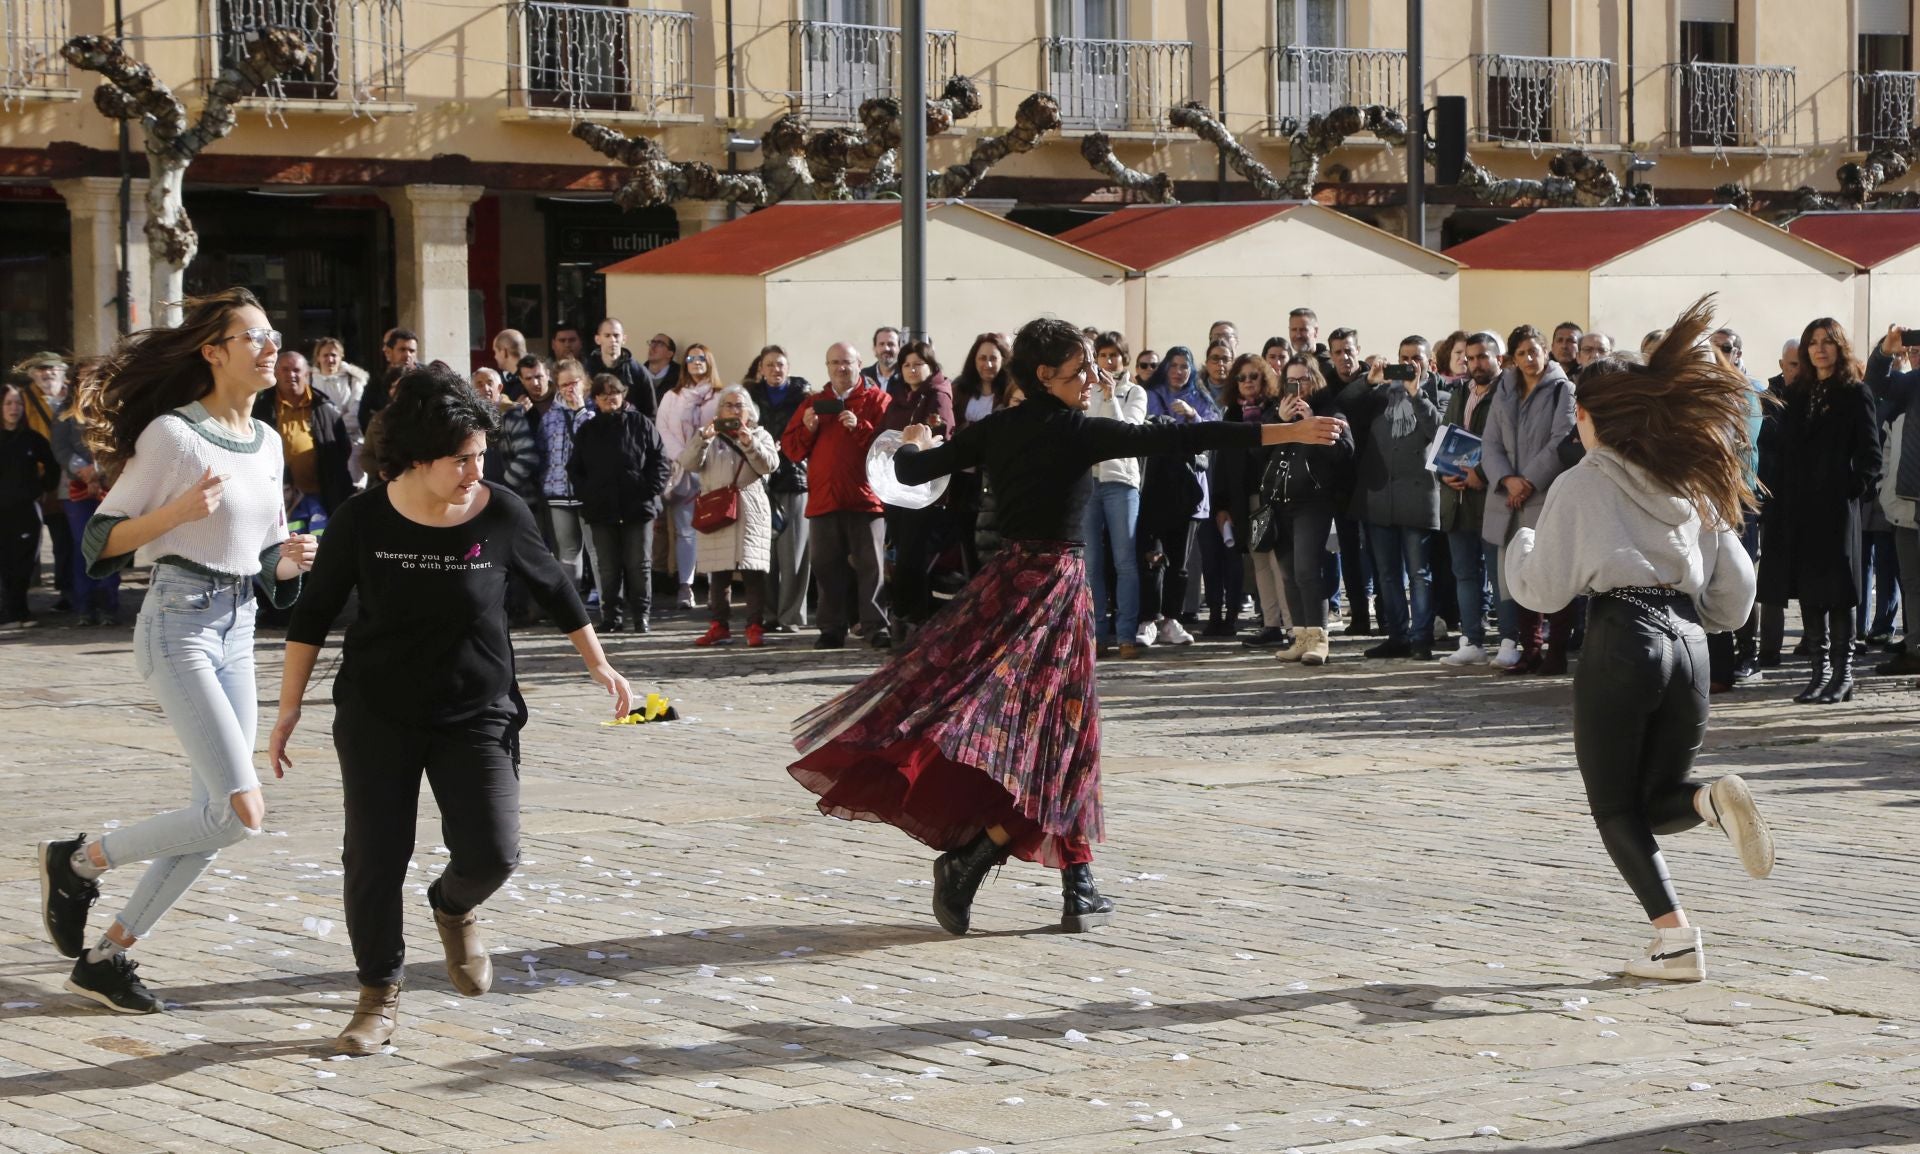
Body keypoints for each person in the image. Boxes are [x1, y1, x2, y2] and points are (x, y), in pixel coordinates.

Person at [788, 318, 1346, 936]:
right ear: (1045, 375)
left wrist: (910, 438)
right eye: (1079, 370)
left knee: (1061, 737)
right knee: (1065, 741)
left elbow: (911, 475)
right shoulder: (1078, 433)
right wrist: (1286, 431)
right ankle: (985, 859)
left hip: (1005, 589)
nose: (1091, 378)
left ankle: (1069, 880)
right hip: (1050, 597)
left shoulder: (1000, 428)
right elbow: (1181, 436)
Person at [271, 365, 630, 1054]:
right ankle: (377, 995)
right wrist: (288, 708)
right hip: (379, 712)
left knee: (493, 852)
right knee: (374, 858)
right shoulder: (362, 519)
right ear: (415, 456)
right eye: (461, 459)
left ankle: (453, 905)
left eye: (481, 457)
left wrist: (599, 663)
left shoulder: (500, 512)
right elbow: (312, 616)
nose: (475, 471)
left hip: (477, 710)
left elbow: (554, 586)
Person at [39, 288, 318, 1014]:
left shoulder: (265, 440)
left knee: (219, 818)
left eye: (272, 334)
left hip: (238, 629)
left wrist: (288, 559)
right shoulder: (173, 436)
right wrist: (176, 513)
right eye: (252, 337)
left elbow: (258, 559)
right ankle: (77, 862)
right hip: (177, 626)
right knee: (240, 811)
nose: (269, 347)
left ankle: (107, 957)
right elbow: (99, 540)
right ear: (213, 351)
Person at [1506, 298, 1772, 982]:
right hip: (1691, 644)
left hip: (1623, 636)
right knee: (1658, 798)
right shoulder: (1688, 481)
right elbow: (1734, 594)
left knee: (1614, 805)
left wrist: (1523, 540)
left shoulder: (1581, 483)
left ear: (1592, 418)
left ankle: (1677, 940)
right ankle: (1711, 802)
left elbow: (1540, 591)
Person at [1759, 318, 1882, 704]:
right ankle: (1820, 673)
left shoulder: (1854, 392)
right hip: (1799, 508)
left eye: (1827, 342)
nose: (1819, 348)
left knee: (1839, 591)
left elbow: (1870, 455)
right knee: (1810, 592)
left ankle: (1843, 675)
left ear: (1839, 347)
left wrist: (1849, 490)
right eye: (1813, 342)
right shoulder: (1799, 393)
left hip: (1836, 509)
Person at [780, 342, 891, 650]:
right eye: (834, 363)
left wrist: (860, 427)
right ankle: (831, 628)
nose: (841, 368)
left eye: (847, 362)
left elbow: (890, 447)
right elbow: (791, 449)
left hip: (866, 499)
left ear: (859, 365)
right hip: (825, 501)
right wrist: (807, 428)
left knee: (872, 568)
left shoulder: (877, 400)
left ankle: (876, 626)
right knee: (827, 569)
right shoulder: (815, 403)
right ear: (827, 367)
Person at [1481, 323, 1577, 675]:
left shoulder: (1563, 389)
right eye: (1521, 353)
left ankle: (1557, 651)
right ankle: (1530, 647)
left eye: (1534, 350)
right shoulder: (1503, 388)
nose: (1529, 358)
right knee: (1516, 576)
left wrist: (1528, 481)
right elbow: (1489, 442)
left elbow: (1561, 440)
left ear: (1546, 351)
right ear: (1513, 358)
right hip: (1508, 498)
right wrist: (1507, 479)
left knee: (1552, 574)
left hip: (1543, 496)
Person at [1340, 338, 1445, 660]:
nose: (1410, 364)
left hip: (1419, 496)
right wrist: (1368, 381)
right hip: (1379, 496)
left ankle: (1421, 637)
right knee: (1387, 573)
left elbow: (1437, 431)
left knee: (1419, 573)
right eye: (1404, 358)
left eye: (1416, 358)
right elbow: (1342, 407)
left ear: (1430, 363)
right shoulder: (1380, 395)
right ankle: (1398, 635)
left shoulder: (1440, 394)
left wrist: (1416, 392)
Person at [1268, 355, 1354, 666]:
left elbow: (1345, 452)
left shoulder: (1329, 411)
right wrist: (1280, 422)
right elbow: (1253, 453)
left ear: (1315, 380)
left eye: (1305, 379)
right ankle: (1299, 638)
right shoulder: (1275, 413)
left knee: (1307, 569)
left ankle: (1319, 640)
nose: (1299, 386)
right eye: (1293, 380)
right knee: (1289, 573)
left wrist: (1312, 423)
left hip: (1314, 502)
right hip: (1280, 503)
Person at [569, 373, 670, 633]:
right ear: (595, 400)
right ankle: (611, 617)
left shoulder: (641, 424)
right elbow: (575, 469)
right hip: (601, 510)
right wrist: (588, 494)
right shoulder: (588, 430)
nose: (610, 399)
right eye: (603, 395)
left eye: (614, 393)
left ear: (623, 394)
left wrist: (650, 490)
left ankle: (641, 616)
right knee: (608, 567)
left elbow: (660, 460)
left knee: (639, 565)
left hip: (638, 508)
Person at [683, 386, 780, 648]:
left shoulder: (761, 435)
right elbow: (689, 463)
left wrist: (749, 443)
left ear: (750, 411)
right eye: (728, 405)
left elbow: (770, 465)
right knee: (719, 571)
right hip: (717, 508)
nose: (734, 409)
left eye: (739, 405)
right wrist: (703, 438)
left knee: (753, 573)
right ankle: (719, 626)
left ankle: (754, 625)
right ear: (719, 411)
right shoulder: (710, 437)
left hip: (751, 511)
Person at [1436, 332, 1508, 667]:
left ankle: (1509, 640)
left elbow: (1508, 445)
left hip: (1491, 496)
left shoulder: (1508, 395)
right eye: (1470, 357)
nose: (1475, 363)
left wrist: (1483, 472)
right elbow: (1445, 435)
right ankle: (1472, 641)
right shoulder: (1459, 391)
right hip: (1457, 498)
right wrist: (1443, 472)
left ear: (1498, 359)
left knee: (1499, 573)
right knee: (1464, 573)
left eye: (1482, 357)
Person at [1210, 354, 1290, 649]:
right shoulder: (1231, 415)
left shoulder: (1275, 411)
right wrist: (1221, 506)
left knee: (1278, 560)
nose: (1246, 382)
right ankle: (1271, 625)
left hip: (1274, 495)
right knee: (1259, 562)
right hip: (1245, 499)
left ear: (1264, 378)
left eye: (1252, 376)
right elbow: (1221, 464)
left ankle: (1293, 625)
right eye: (1241, 378)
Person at [1137, 346, 1215, 647]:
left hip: (1189, 489)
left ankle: (1171, 618)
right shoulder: (1150, 394)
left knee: (1180, 562)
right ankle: (1149, 619)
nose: (1179, 371)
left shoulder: (1201, 397)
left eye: (1185, 366)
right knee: (1151, 556)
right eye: (1173, 365)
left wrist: (1193, 416)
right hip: (1152, 488)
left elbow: (1214, 432)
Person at [877, 340, 954, 644]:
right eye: (906, 364)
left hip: (924, 492)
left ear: (930, 366)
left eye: (917, 364)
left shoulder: (937, 396)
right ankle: (904, 620)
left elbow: (941, 437)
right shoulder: (900, 398)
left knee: (913, 559)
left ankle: (916, 624)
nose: (911, 369)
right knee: (901, 559)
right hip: (897, 491)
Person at [1085, 332, 1147, 658]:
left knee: (1124, 561)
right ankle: (1097, 634)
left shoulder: (1133, 392)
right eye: (1103, 355)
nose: (1109, 361)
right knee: (1092, 563)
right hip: (1089, 483)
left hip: (1120, 480)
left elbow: (1128, 432)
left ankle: (1126, 635)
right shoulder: (1086, 390)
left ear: (1124, 359)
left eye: (1115, 356)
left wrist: (1111, 398)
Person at [747, 346, 814, 633]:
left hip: (794, 478)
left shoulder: (804, 398)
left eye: (780, 364)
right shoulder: (750, 397)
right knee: (765, 554)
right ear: (760, 368)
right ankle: (769, 613)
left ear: (788, 367)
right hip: (760, 480)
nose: (776, 369)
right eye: (770, 364)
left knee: (794, 554)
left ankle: (791, 615)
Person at [1867, 324, 1920, 676]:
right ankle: (1916, 650)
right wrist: (1885, 352)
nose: (1915, 352)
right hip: (1908, 503)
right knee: (1912, 582)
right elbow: (1875, 386)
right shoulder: (1913, 384)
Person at [519, 356, 594, 600]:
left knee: (595, 551)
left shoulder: (592, 410)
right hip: (558, 491)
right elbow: (541, 451)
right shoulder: (551, 415)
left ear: (584, 382)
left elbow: (593, 439)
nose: (569, 389)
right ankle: (571, 604)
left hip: (588, 492)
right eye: (563, 385)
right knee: (567, 552)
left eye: (574, 382)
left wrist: (580, 409)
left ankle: (606, 604)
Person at [50, 380, 122, 626]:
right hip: (75, 488)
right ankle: (85, 606)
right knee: (83, 546)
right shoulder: (64, 412)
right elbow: (60, 448)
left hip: (109, 486)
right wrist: (85, 472)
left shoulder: (113, 410)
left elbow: (119, 445)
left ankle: (109, 606)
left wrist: (99, 471)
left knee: (109, 544)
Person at [657, 344, 722, 611]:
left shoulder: (720, 395)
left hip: (713, 469)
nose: (696, 362)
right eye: (691, 358)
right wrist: (686, 457)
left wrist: (702, 455)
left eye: (701, 358)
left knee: (716, 528)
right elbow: (662, 429)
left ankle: (717, 587)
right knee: (685, 531)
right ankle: (686, 585)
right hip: (683, 470)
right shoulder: (673, 396)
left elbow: (724, 427)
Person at [252, 350, 354, 517]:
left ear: (307, 374)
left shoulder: (325, 408)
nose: (290, 375)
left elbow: (343, 448)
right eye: (285, 370)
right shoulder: (261, 409)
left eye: (296, 370)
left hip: (323, 495)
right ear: (276, 373)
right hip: (279, 497)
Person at [14, 351, 73, 612]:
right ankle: (20, 597)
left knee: (66, 539)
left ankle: (68, 592)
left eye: (52, 369)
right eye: (41, 370)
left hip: (71, 475)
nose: (47, 374)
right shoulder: (21, 399)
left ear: (62, 372)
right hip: (35, 478)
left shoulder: (75, 396)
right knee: (28, 540)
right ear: (32, 374)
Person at [950, 333, 1012, 579]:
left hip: (994, 477)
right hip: (964, 477)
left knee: (992, 540)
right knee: (966, 538)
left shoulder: (1009, 390)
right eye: (982, 358)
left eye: (993, 359)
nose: (988, 364)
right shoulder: (960, 390)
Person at [0, 383, 57, 626]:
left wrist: (40, 489)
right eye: (9, 403)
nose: (14, 408)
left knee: (23, 562)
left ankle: (19, 611)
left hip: (25, 511)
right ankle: (9, 613)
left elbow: (53, 466)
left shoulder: (32, 438)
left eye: (18, 404)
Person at [310, 338, 369, 485]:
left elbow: (355, 410)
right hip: (320, 440)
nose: (330, 359)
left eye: (334, 355)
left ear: (341, 357)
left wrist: (337, 427)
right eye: (325, 355)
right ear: (318, 357)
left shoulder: (353, 380)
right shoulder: (309, 380)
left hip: (351, 441)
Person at [585, 318, 656, 421]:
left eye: (616, 335)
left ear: (624, 339)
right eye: (607, 335)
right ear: (597, 339)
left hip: (629, 430)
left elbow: (650, 412)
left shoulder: (637, 371)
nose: (612, 340)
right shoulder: (587, 371)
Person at [863, 326, 904, 401]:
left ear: (899, 348)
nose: (886, 348)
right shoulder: (864, 376)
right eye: (881, 344)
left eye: (891, 344)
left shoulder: (906, 376)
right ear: (874, 349)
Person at [638, 332, 681, 402]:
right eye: (652, 342)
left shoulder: (681, 377)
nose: (653, 347)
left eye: (660, 344)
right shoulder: (637, 374)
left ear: (669, 354)